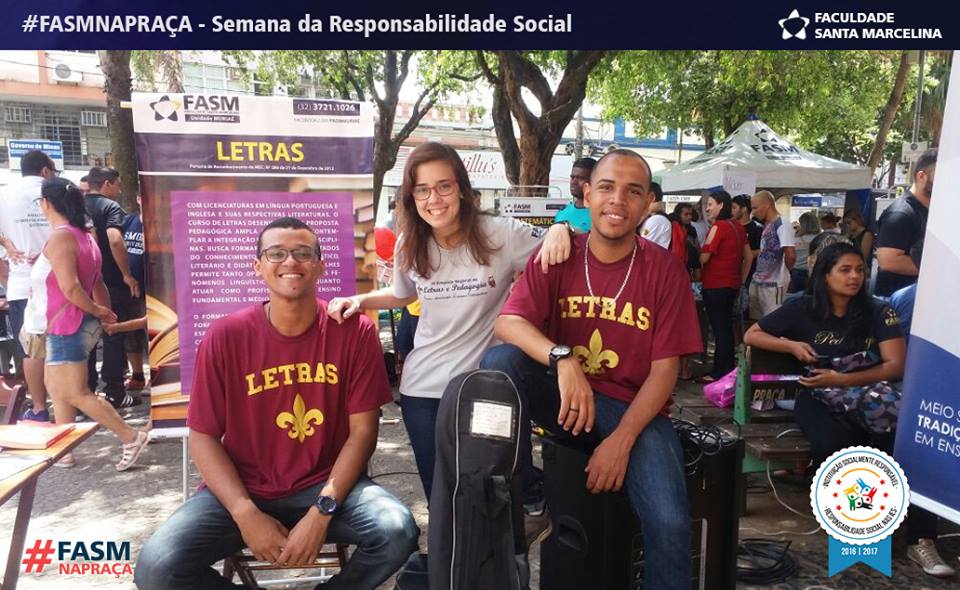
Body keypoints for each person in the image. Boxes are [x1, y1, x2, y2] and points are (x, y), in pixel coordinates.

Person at [135, 217, 418, 590]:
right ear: (258, 266)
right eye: (276, 253)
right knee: (156, 568)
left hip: (326, 487)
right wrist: (244, 512)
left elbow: (363, 433)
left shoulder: (354, 331)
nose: (290, 262)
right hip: (244, 488)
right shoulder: (226, 336)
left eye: (303, 253)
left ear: (320, 265)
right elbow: (203, 436)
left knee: (397, 530)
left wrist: (322, 511)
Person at [481, 149, 702, 590]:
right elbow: (508, 323)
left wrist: (620, 442)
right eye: (606, 187)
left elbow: (665, 371)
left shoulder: (665, 271)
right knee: (498, 365)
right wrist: (562, 359)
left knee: (672, 524)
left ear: (647, 204)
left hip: (632, 409)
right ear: (586, 193)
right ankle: (525, 497)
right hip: (563, 397)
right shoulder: (558, 254)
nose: (617, 200)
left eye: (632, 191)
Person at [327, 142, 573, 508]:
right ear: (412, 196)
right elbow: (400, 293)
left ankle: (507, 545)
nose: (434, 199)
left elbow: (565, 254)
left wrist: (561, 227)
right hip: (422, 390)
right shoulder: (409, 241)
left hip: (484, 387)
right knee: (442, 498)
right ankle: (447, 566)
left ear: (461, 187)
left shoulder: (500, 233)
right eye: (422, 189)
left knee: (493, 494)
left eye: (444, 186)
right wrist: (359, 301)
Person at [744, 242, 954, 578]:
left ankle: (921, 539)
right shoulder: (802, 307)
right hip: (816, 396)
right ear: (825, 275)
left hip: (870, 393)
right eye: (845, 269)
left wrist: (842, 379)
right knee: (836, 442)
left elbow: (895, 365)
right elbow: (752, 333)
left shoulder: (878, 310)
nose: (855, 276)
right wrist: (791, 345)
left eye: (859, 269)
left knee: (906, 445)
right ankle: (859, 532)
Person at [36, 178, 150, 470]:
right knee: (58, 388)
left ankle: (130, 436)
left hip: (67, 323)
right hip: (73, 321)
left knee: (75, 392)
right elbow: (96, 280)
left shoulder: (62, 237)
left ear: (46, 204)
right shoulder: (85, 236)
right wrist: (103, 312)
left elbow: (72, 288)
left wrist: (99, 310)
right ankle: (64, 450)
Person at [0, 150, 57, 421]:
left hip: (22, 284)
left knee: (31, 350)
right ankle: (73, 401)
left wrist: (8, 245)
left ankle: (39, 408)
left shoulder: (5, 194)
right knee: (66, 345)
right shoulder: (58, 190)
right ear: (45, 170)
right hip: (60, 281)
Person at [84, 166, 140, 408]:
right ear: (107, 184)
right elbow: (115, 239)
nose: (119, 190)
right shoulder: (110, 207)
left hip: (83, 283)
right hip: (111, 283)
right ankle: (115, 392)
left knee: (86, 337)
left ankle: (84, 392)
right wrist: (127, 274)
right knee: (113, 333)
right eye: (117, 184)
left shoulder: (76, 204)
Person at [699, 191, 753, 381]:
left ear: (721, 205)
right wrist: (741, 279)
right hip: (731, 284)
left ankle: (719, 371)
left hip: (715, 284)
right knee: (726, 328)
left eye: (711, 204)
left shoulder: (719, 227)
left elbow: (704, 257)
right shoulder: (738, 227)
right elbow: (749, 256)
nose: (707, 208)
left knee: (719, 328)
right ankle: (726, 369)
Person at [875, 148, 936, 297]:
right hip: (896, 306)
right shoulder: (900, 213)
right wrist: (939, 267)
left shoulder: (933, 211)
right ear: (922, 176)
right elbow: (888, 261)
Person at [749, 190, 795, 318]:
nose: (753, 212)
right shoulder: (769, 224)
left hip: (774, 283)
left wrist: (785, 273)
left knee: (772, 321)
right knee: (759, 322)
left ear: (767, 205)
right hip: (760, 282)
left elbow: (790, 254)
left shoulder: (782, 224)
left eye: (755, 208)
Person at [121, 196, 148, 390]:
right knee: (131, 335)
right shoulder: (128, 220)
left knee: (151, 334)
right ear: (137, 198)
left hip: (151, 290)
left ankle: (157, 378)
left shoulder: (160, 222)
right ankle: (137, 375)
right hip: (128, 289)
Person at [554, 157, 597, 233]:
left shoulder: (602, 216)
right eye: (572, 177)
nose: (574, 182)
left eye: (580, 178)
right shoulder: (562, 212)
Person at [731, 194, 763, 286]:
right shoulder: (729, 227)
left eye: (734, 208)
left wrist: (747, 253)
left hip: (751, 276)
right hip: (730, 275)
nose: (731, 211)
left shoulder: (758, 228)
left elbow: (763, 250)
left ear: (744, 209)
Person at [788, 211, 821, 293]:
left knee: (795, 298)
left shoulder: (795, 238)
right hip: (815, 272)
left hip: (797, 271)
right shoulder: (821, 238)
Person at [842, 209, 874, 279]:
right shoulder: (850, 235)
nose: (847, 225)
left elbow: (864, 255)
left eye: (849, 222)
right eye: (846, 223)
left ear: (857, 220)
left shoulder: (866, 234)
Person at [639, 182, 671, 248]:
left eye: (639, 194)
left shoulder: (656, 220)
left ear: (652, 197)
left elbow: (641, 247)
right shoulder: (652, 217)